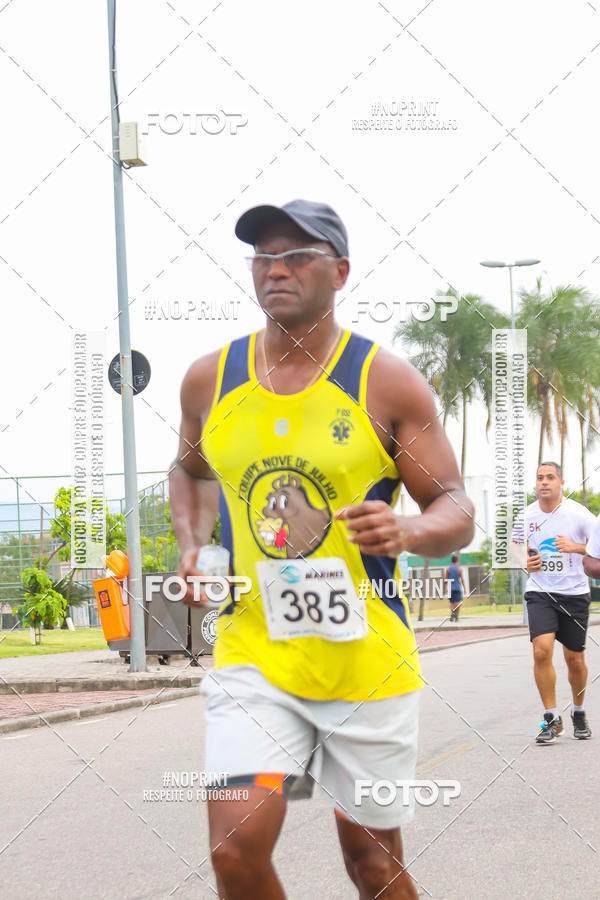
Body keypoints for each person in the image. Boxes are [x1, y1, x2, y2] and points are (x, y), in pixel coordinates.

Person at [169, 199, 475, 899]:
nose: (276, 270)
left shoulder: (384, 380)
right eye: (263, 258)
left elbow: (455, 506)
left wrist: (412, 530)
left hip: (364, 661)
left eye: (297, 256)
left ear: (338, 272)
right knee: (234, 849)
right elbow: (187, 471)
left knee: (370, 863)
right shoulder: (209, 380)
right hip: (255, 655)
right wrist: (192, 547)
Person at [511, 462, 595, 745]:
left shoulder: (578, 514)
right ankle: (550, 718)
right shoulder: (527, 515)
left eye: (550, 477)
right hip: (540, 592)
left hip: (575, 594)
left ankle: (579, 712)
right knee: (541, 651)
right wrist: (525, 561)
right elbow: (514, 545)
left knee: (575, 659)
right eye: (539, 478)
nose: (544, 482)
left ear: (560, 481)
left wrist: (576, 547)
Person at [445, 554, 465, 622]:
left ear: (451, 561)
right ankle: (456, 616)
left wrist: (445, 588)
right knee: (458, 602)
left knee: (451, 602)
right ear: (457, 561)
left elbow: (446, 579)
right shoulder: (459, 569)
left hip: (450, 588)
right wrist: (464, 588)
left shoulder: (448, 569)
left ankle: (453, 613)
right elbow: (462, 579)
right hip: (457, 587)